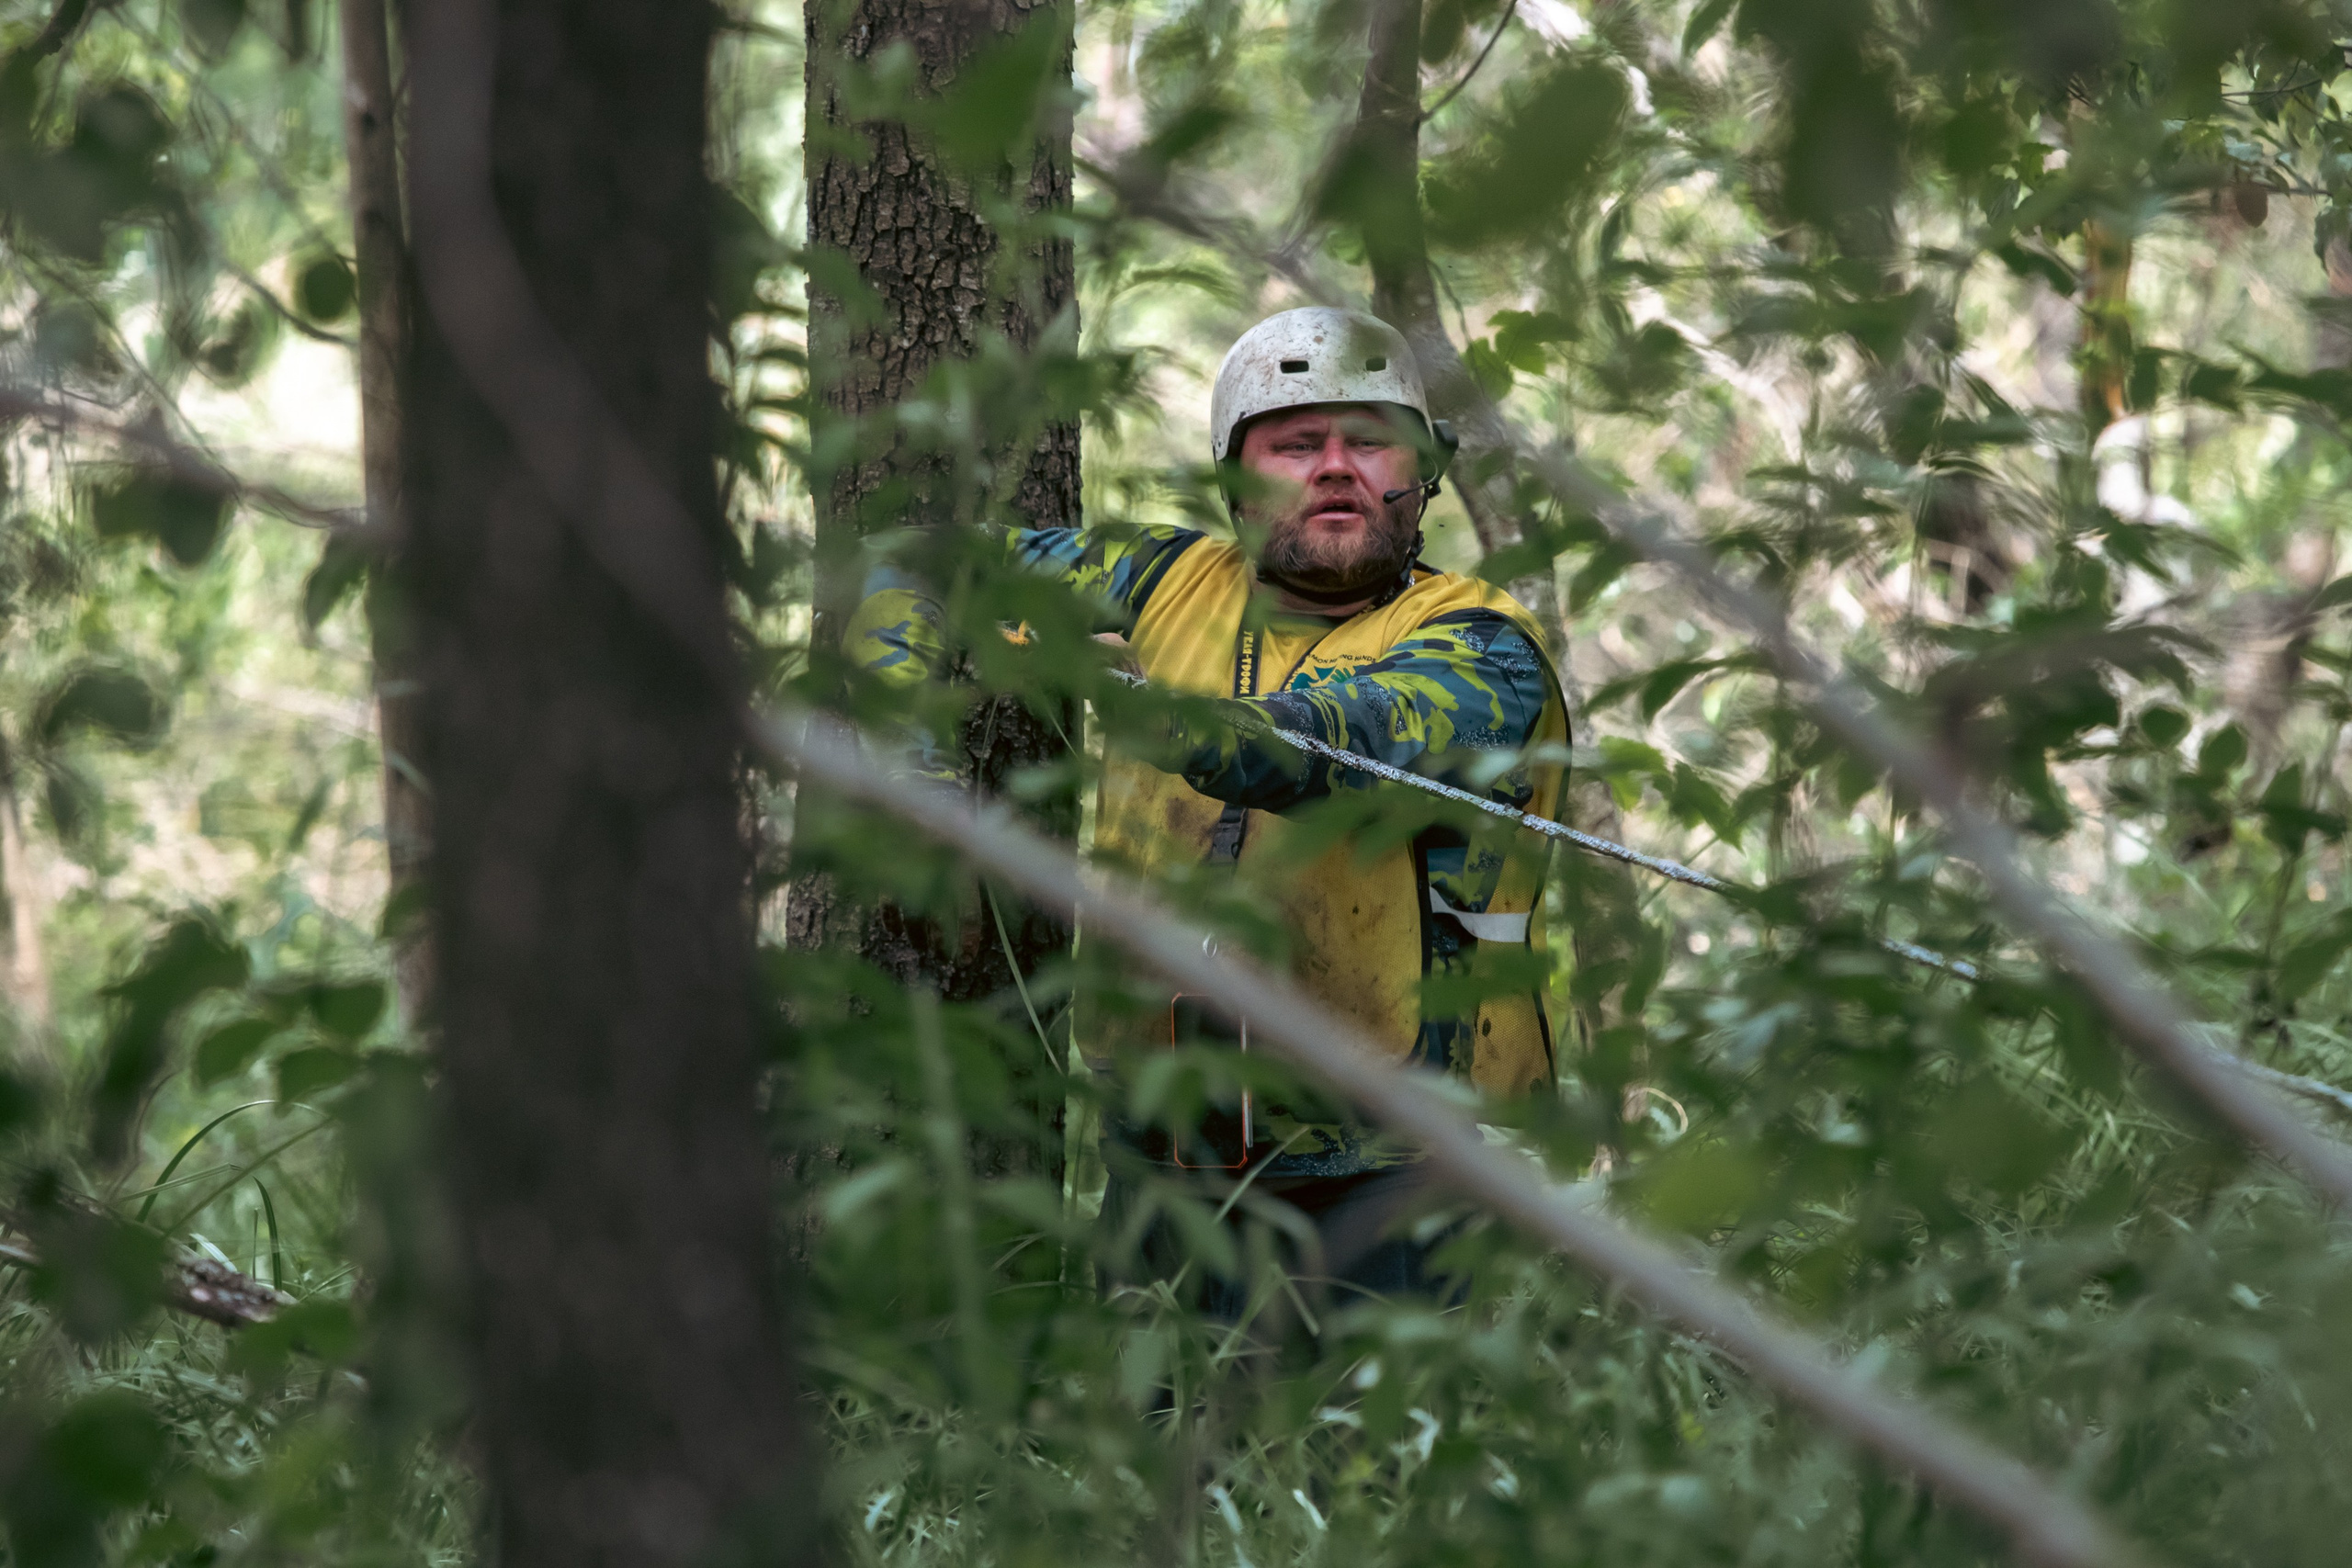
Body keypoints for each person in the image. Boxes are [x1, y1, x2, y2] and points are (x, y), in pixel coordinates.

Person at [846, 307, 1572, 1321]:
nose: (1333, 468)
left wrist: (1178, 722)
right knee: (1167, 1466)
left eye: (1368, 440)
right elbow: (913, 565)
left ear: (1422, 471)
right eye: (1294, 444)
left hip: (1406, 1176)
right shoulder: (1160, 581)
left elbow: (1346, 738)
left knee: (1382, 1475)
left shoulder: (1485, 645)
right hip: (1168, 1166)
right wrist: (904, 760)